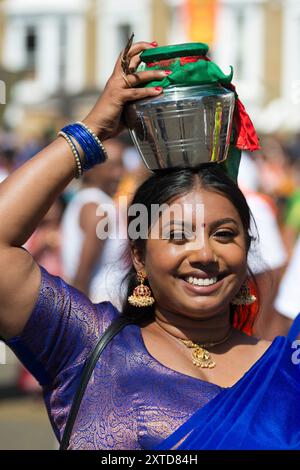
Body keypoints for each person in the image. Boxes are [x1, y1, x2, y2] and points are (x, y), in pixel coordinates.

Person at [0, 41, 299, 450]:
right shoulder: (87, 345)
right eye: (178, 235)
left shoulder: (287, 367)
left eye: (225, 234)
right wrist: (94, 129)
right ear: (139, 255)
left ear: (247, 248)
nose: (205, 254)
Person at [61, 137, 127, 309]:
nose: (119, 173)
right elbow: (83, 274)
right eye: (112, 166)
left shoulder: (92, 202)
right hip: (99, 312)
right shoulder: (97, 209)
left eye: (122, 166)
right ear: (91, 169)